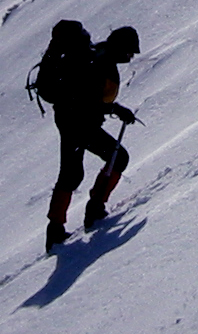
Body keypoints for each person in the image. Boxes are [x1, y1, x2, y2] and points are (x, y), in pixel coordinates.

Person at [45, 25, 139, 252]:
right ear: (120, 47)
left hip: (71, 120)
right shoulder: (99, 61)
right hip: (78, 122)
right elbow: (88, 100)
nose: (131, 56)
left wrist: (113, 108)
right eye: (129, 51)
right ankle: (94, 209)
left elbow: (88, 98)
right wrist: (115, 109)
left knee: (71, 173)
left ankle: (56, 229)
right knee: (117, 158)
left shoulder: (98, 55)